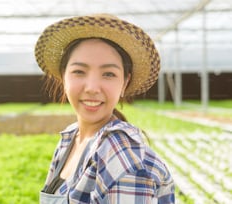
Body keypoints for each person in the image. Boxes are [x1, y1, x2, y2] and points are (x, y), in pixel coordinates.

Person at [34, 14, 175, 204]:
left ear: (124, 82)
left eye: (108, 74)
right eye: (79, 71)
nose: (92, 87)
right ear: (63, 76)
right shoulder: (70, 137)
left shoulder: (124, 160)